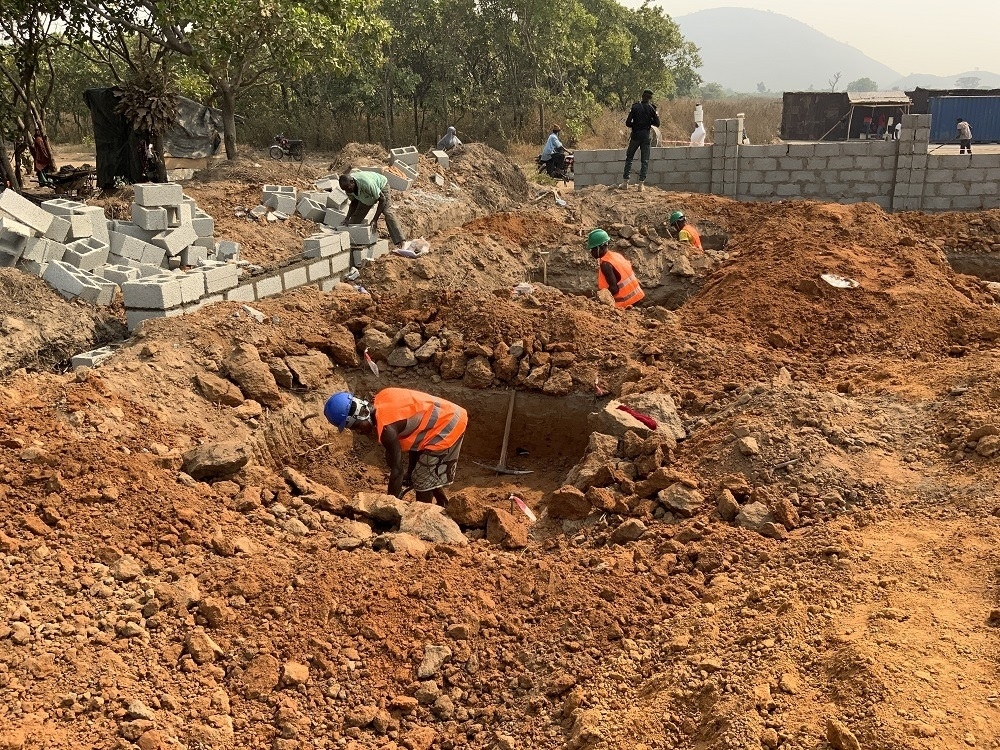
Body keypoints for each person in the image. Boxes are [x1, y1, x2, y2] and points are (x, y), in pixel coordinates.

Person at [324, 388, 468, 505]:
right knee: (422, 472)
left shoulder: (387, 429)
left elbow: (397, 471)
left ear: (359, 414)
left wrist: (389, 506)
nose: (359, 432)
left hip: (448, 423)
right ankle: (443, 503)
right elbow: (417, 440)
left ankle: (424, 520)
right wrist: (411, 471)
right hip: (447, 416)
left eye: (355, 427)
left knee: (422, 478)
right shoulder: (382, 398)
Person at [339, 170, 406, 248]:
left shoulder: (367, 184)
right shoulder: (348, 188)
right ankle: (352, 243)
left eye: (348, 188)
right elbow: (354, 203)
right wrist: (347, 218)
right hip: (366, 195)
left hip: (381, 186)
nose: (347, 191)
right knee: (355, 218)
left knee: (387, 212)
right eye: (345, 190)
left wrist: (375, 220)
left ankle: (401, 241)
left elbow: (382, 199)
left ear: (352, 182)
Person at [587, 228, 644, 309]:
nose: (591, 252)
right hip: (637, 297)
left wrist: (599, 299)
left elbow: (614, 289)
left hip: (625, 302)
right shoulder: (616, 255)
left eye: (593, 249)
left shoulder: (606, 264)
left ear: (601, 247)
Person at [621, 88, 660, 191]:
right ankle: (641, 185)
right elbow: (657, 124)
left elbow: (628, 123)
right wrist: (648, 123)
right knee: (645, 161)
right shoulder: (652, 109)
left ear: (642, 96)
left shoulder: (635, 107)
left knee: (629, 158)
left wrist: (636, 124)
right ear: (650, 98)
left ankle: (625, 182)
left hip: (635, 137)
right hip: (646, 137)